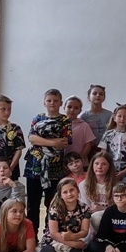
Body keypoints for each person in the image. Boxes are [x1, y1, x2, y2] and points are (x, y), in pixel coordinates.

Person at [23, 89, 71, 233]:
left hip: (55, 169)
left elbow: (64, 142)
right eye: (49, 100)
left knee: (52, 203)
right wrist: (53, 142)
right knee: (32, 203)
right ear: (44, 102)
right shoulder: (38, 118)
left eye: (55, 101)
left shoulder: (65, 120)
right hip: (34, 167)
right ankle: (31, 234)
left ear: (61, 103)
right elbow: (31, 138)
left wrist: (42, 141)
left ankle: (49, 234)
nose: (52, 103)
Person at [39, 177, 91, 252]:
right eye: (65, 192)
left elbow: (84, 231)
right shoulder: (55, 208)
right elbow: (53, 233)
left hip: (75, 238)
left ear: (77, 190)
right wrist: (72, 244)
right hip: (54, 240)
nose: (69, 194)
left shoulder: (85, 208)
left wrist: (73, 237)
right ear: (60, 195)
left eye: (72, 190)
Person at [99, 105, 126, 185]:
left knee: (123, 190)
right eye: (119, 116)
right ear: (114, 118)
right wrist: (108, 168)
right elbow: (103, 153)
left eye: (125, 116)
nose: (122, 119)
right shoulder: (108, 134)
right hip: (109, 169)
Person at [80, 151, 116, 230]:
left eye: (104, 164)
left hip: (111, 219)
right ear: (92, 165)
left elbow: (120, 210)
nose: (99, 167)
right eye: (96, 163)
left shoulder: (117, 186)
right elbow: (84, 208)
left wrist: (102, 209)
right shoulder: (83, 185)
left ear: (109, 166)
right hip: (89, 220)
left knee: (97, 217)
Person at [64, 96, 97, 162]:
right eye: (69, 107)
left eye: (76, 108)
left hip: (80, 163)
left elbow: (88, 145)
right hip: (61, 162)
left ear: (80, 111)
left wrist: (79, 160)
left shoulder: (84, 125)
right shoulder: (58, 124)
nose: (72, 110)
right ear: (64, 108)